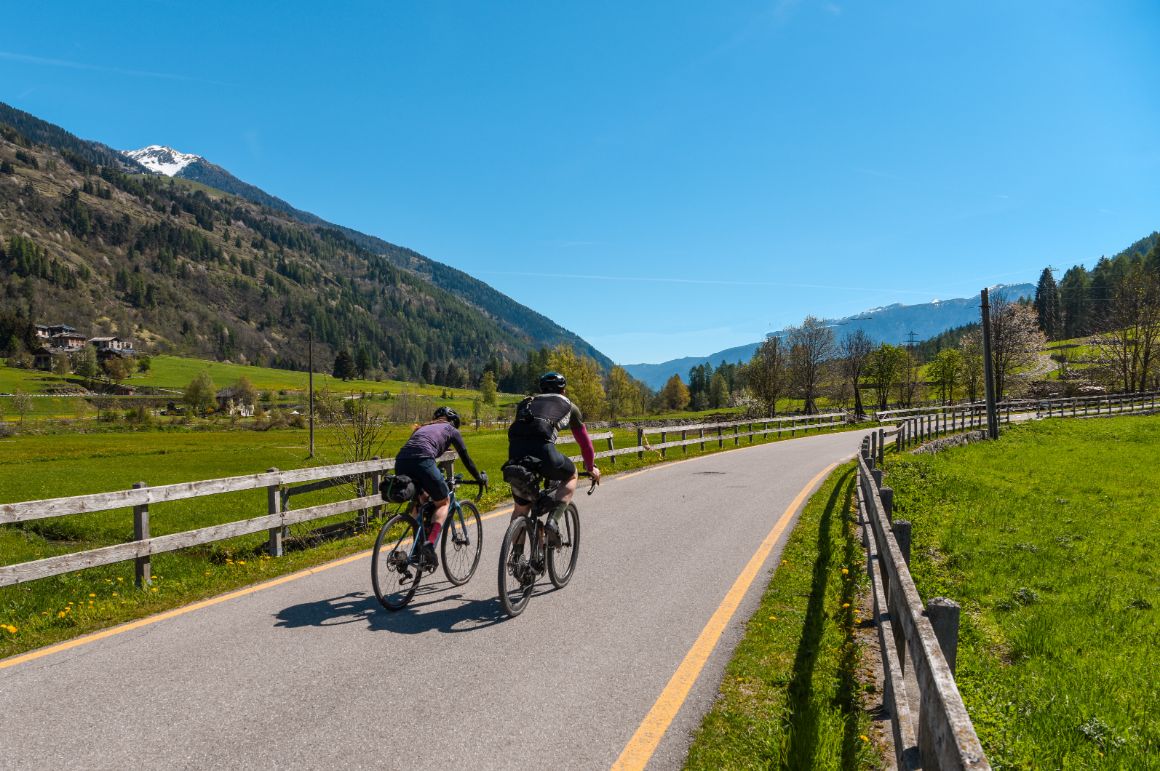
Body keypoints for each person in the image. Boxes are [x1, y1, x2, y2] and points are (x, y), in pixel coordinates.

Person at [506, 372, 601, 543]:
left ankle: (516, 559)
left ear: (540, 390)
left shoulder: (526, 403)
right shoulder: (569, 406)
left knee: (520, 509)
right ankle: (553, 521)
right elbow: (585, 444)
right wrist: (590, 467)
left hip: (515, 454)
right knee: (572, 474)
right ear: (563, 391)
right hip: (544, 453)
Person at [394, 406, 487, 568]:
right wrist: (479, 478)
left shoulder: (422, 428)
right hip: (423, 460)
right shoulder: (451, 430)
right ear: (452, 421)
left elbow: (419, 447)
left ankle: (417, 551)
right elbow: (466, 458)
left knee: (420, 501)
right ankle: (429, 544)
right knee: (443, 501)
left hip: (401, 461)